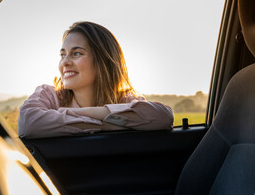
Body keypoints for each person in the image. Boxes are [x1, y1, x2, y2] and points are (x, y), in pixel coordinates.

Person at [18, 21, 174, 138]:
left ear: (101, 61)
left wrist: (74, 113)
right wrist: (109, 124)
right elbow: (28, 123)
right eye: (62, 55)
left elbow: (163, 117)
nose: (65, 62)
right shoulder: (49, 94)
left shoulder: (123, 99)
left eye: (77, 53)